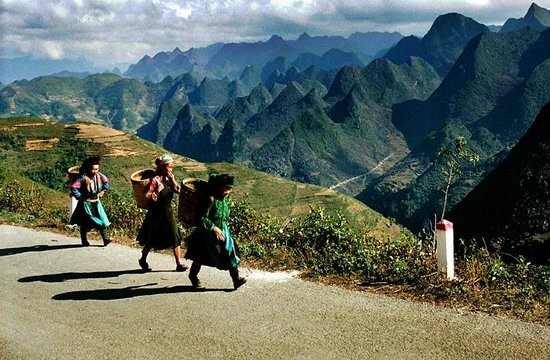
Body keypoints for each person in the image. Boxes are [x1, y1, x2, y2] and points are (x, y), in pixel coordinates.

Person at [185, 173, 246, 290]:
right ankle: (193, 276)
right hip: (207, 231)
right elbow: (202, 217)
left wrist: (222, 228)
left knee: (231, 252)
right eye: (226, 189)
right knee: (201, 255)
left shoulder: (224, 200)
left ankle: (236, 280)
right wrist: (214, 228)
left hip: (223, 230)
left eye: (230, 189)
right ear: (219, 187)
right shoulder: (210, 199)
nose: (228, 192)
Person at [137, 154, 187, 272]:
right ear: (163, 167)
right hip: (156, 214)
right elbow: (147, 195)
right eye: (170, 167)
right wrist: (156, 192)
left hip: (168, 212)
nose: (171, 169)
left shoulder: (168, 179)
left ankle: (179, 264)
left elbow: (178, 191)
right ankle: (143, 259)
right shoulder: (155, 180)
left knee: (175, 235)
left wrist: (173, 180)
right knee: (151, 238)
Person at [69, 156, 112, 246]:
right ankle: (84, 240)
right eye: (93, 169)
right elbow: (74, 187)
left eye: (97, 169)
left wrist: (103, 191)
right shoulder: (82, 178)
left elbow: (106, 182)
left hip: (96, 202)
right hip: (85, 204)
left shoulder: (100, 176)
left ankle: (105, 239)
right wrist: (80, 197)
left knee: (102, 219)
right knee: (85, 222)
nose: (95, 171)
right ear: (88, 168)